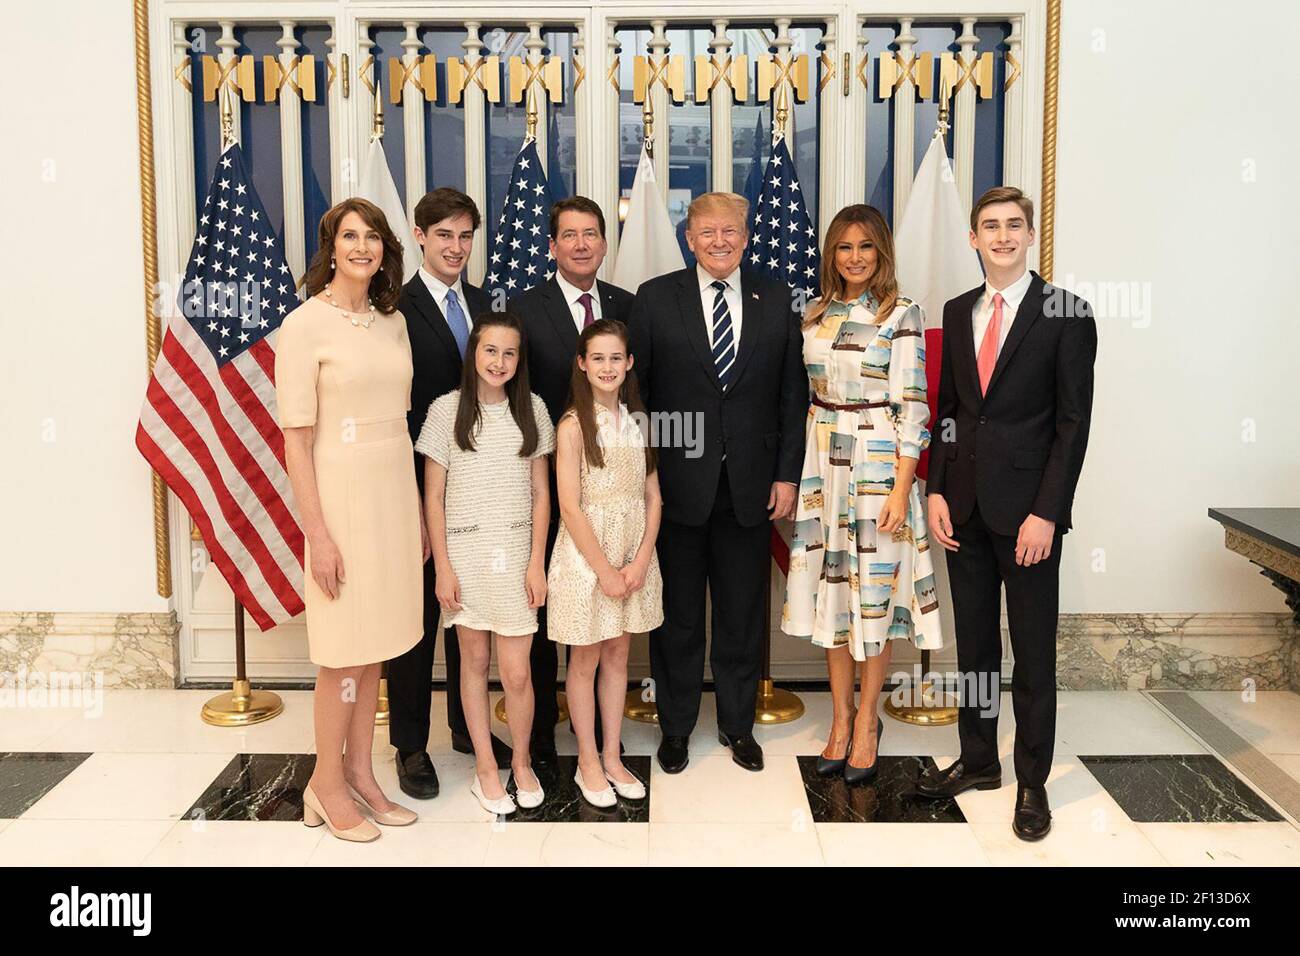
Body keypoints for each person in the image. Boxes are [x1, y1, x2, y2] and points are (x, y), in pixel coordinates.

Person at [917, 186, 1096, 842]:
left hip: (1028, 519)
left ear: (1029, 236)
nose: (1001, 236)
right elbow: (950, 413)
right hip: (961, 510)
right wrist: (935, 490)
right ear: (973, 238)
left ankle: (1032, 782)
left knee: (1033, 656)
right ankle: (980, 759)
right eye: (989, 226)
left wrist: (1047, 513)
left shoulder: (1066, 314)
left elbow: (1072, 425)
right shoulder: (959, 309)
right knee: (978, 653)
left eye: (1013, 225)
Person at [629, 192, 806, 775]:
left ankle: (737, 725)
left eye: (730, 230)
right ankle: (676, 729)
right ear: (689, 238)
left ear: (747, 235)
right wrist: (647, 480)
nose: (720, 241)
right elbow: (640, 398)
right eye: (708, 232)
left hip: (752, 489)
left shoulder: (776, 297)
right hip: (678, 492)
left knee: (741, 615)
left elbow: (791, 395)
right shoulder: (655, 299)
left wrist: (786, 474)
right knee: (678, 618)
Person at [781, 205, 943, 784]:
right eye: (844, 247)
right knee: (833, 601)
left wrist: (903, 487)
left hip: (877, 469)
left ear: (882, 252)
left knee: (873, 604)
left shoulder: (901, 313)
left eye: (866, 247)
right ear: (832, 254)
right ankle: (840, 720)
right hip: (824, 466)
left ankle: (869, 721)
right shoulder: (815, 313)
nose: (854, 257)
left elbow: (915, 406)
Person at [276, 198, 422, 842]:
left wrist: (417, 516)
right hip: (339, 502)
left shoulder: (392, 322)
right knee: (340, 655)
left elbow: (401, 425)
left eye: (373, 237)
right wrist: (319, 535)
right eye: (349, 236)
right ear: (330, 247)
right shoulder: (305, 324)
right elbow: (296, 442)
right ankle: (325, 785)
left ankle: (362, 773)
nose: (362, 247)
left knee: (375, 651)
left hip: (392, 498)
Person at [388, 187, 510, 802]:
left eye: (466, 236)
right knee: (418, 622)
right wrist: (409, 502)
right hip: (417, 489)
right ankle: (410, 744)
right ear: (420, 236)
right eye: (444, 236)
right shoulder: (397, 311)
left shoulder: (486, 305)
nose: (456, 248)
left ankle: (468, 728)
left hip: (484, 497)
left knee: (474, 617)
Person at [509, 196, 635, 759]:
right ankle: (539, 735)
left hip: (617, 484)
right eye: (570, 235)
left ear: (604, 243)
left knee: (609, 637)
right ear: (553, 245)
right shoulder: (524, 307)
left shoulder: (628, 306)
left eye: (591, 234)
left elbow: (640, 397)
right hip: (546, 476)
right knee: (545, 610)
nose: (581, 244)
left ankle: (601, 742)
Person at [415, 312, 555, 816]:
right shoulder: (444, 412)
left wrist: (537, 562)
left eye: (509, 353)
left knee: (517, 673)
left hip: (517, 556)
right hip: (466, 557)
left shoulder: (533, 411)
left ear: (520, 361)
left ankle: (519, 762)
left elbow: (542, 494)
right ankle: (484, 767)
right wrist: (444, 568)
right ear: (474, 353)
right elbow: (433, 497)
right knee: (472, 665)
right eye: (490, 350)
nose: (499, 361)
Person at [547, 319, 663, 806]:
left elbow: (654, 497)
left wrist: (638, 563)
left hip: (633, 553)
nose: (608, 367)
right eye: (598, 358)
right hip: (586, 557)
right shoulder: (573, 425)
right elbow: (569, 506)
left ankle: (613, 755)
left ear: (629, 363)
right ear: (582, 363)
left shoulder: (640, 421)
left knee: (619, 656)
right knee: (586, 658)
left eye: (617, 358)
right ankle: (588, 760)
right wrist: (606, 571)